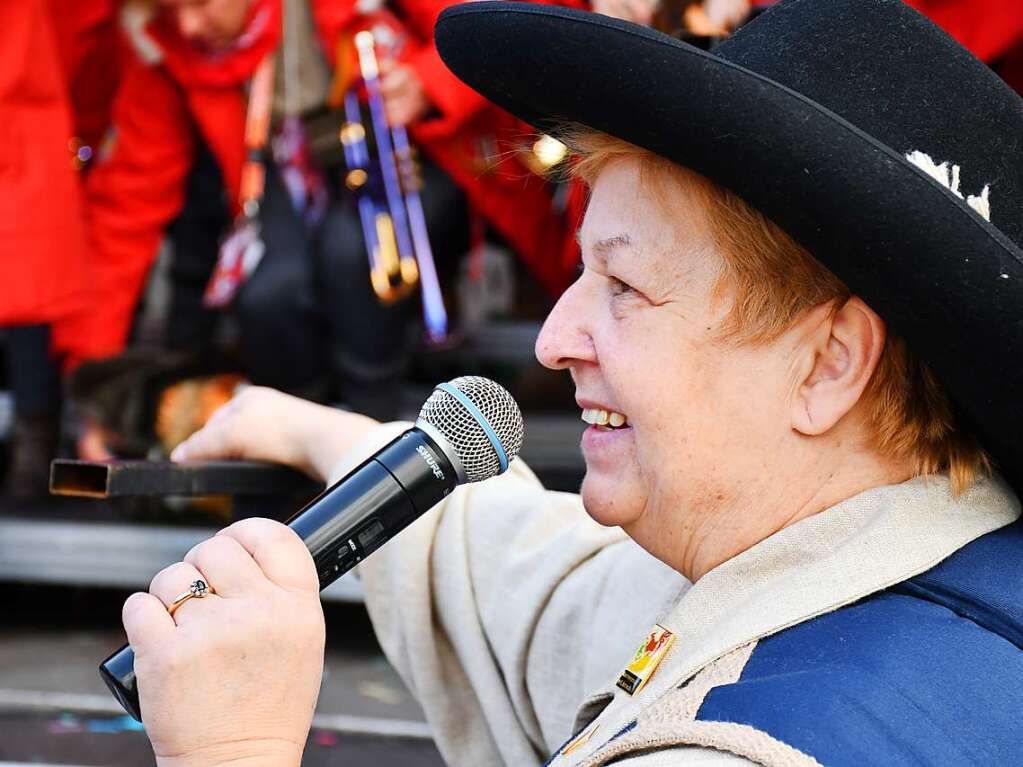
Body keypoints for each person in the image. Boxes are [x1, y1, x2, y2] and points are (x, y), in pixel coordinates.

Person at [118, 1, 1023, 764]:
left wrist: (231, 748)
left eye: (623, 286)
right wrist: (314, 431)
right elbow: (541, 580)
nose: (553, 338)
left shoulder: (736, 745)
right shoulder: (912, 568)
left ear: (828, 363)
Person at [64, 0, 580, 422]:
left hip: (414, 163)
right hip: (282, 185)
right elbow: (126, 210)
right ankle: (302, 452)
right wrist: (98, 390)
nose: (187, 26)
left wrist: (428, 80)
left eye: (200, 4)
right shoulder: (171, 47)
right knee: (267, 296)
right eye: (170, 9)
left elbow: (502, 18)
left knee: (352, 256)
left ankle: (374, 429)